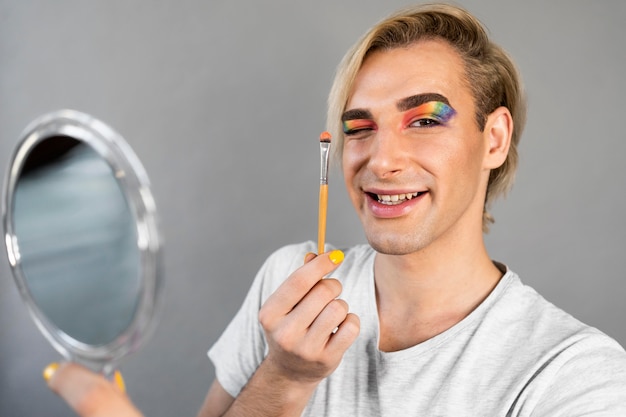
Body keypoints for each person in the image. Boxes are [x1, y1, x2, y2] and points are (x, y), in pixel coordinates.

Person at [45, 3, 626, 416]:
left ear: (494, 140)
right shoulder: (286, 283)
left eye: (425, 119)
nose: (381, 159)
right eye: (359, 127)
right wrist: (284, 379)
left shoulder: (573, 376)